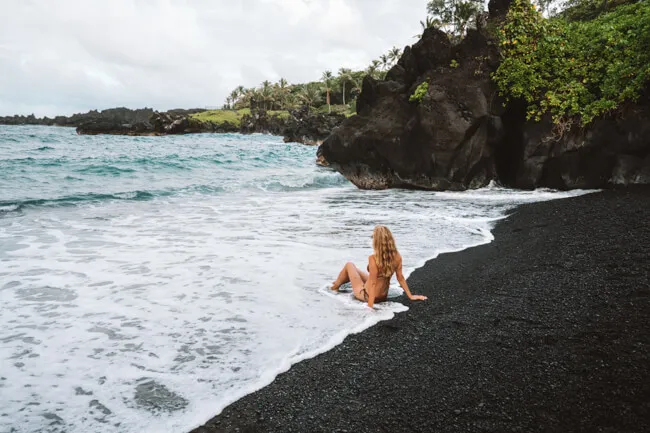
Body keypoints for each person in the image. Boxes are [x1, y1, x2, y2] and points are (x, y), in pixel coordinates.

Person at [330, 225, 428, 308]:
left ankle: (334, 287)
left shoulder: (373, 259)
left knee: (349, 265)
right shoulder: (397, 256)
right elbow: (400, 278)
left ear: (376, 242)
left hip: (366, 295)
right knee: (355, 270)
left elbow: (373, 283)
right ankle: (340, 282)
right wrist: (411, 296)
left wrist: (370, 306)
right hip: (383, 296)